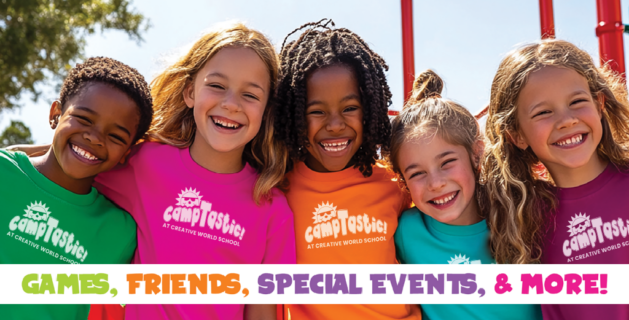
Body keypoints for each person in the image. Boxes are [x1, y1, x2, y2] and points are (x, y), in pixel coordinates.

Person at [93, 22, 295, 320]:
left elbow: (262, 310)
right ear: (190, 92)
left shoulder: (272, 207)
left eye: (250, 95)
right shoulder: (145, 163)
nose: (231, 104)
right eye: (216, 86)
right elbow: (69, 169)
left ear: (266, 111)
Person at [273, 19, 420, 320]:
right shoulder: (279, 190)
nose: (336, 124)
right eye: (316, 111)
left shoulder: (396, 184)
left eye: (350, 108)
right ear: (294, 115)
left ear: (371, 109)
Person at [481, 39, 629, 320]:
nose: (566, 120)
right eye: (543, 112)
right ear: (516, 135)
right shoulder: (520, 216)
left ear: (599, 104)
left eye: (577, 102)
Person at [0, 56, 152, 319]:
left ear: (127, 151)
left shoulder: (120, 231)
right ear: (55, 114)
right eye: (83, 119)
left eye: (115, 136)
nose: (94, 138)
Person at [389, 70, 542, 320]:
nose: (436, 183)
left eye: (447, 162)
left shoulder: (520, 210)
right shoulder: (407, 231)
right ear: (402, 181)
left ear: (476, 154)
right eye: (417, 173)